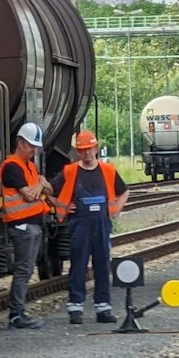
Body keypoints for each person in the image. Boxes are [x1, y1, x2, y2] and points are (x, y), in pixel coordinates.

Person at [54, 129, 129, 325]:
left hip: (102, 225)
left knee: (102, 265)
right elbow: (50, 191)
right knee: (78, 265)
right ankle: (75, 308)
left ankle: (103, 308)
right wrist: (61, 205)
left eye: (89, 149)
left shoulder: (108, 170)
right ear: (78, 152)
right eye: (82, 150)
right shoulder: (70, 172)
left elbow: (124, 191)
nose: (86, 153)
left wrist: (116, 209)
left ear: (96, 148)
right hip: (80, 225)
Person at [0, 122, 53, 329]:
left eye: (36, 146)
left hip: (32, 225)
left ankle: (18, 312)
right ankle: (16, 314)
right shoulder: (12, 166)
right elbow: (31, 195)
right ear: (20, 143)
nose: (34, 150)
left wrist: (41, 185)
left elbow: (49, 190)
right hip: (22, 226)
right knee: (23, 270)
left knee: (27, 269)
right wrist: (40, 184)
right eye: (31, 146)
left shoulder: (28, 165)